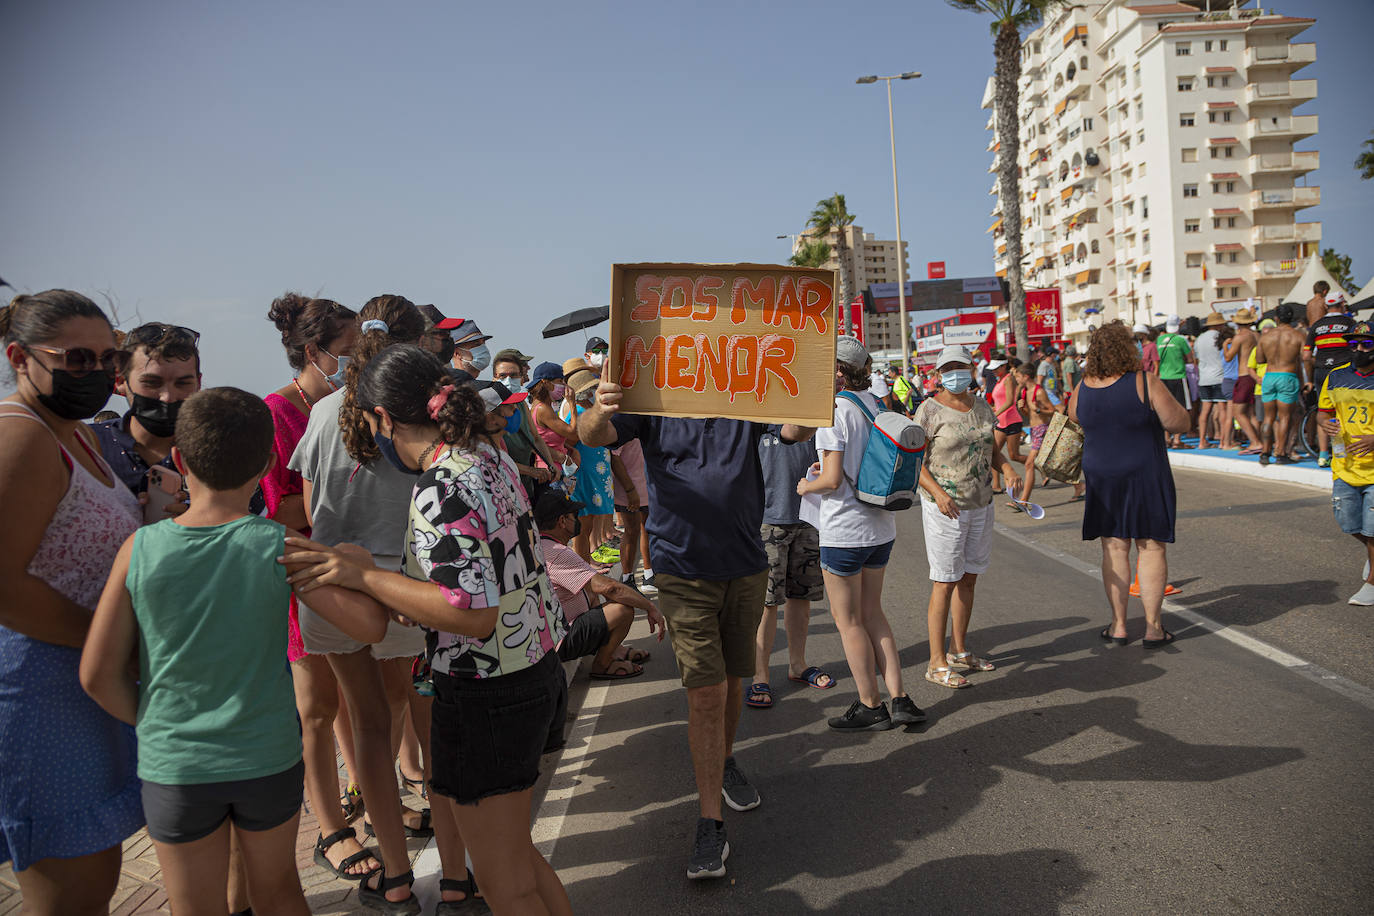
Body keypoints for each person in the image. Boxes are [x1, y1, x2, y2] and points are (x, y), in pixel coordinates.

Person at [283, 345, 572, 915]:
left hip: (486, 691)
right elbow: (472, 583)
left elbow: (469, 612)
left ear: (384, 418)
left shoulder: (440, 486)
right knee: (519, 858)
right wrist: (382, 583)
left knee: (505, 881)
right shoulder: (487, 458)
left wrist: (364, 576)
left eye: (367, 423)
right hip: (529, 671)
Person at [79, 388, 387, 916]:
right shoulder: (279, 545)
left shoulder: (141, 548)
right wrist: (360, 566)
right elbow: (370, 627)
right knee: (278, 892)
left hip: (174, 762)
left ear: (179, 458)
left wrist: (154, 725)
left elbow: (97, 675)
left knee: (194, 905)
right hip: (264, 755)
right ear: (268, 462)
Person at [579, 362, 817, 881]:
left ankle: (725, 758)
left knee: (733, 680)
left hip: (746, 566)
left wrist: (813, 384)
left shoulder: (746, 391)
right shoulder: (653, 394)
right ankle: (710, 820)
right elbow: (591, 434)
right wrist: (601, 403)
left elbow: (795, 428)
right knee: (705, 692)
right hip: (682, 569)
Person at [289, 297, 464, 913]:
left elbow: (313, 515)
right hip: (403, 590)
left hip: (331, 588)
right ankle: (456, 875)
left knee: (365, 730)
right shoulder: (416, 416)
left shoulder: (324, 412)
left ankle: (393, 876)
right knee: (427, 727)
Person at [0, 291, 145, 915]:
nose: (96, 374)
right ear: (20, 357)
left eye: (107, 360)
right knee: (70, 892)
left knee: (95, 873)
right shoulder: (22, 437)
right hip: (44, 687)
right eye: (77, 359)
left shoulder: (76, 434)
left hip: (85, 679)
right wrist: (106, 637)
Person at [261, 292, 384, 882]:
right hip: (306, 574)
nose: (362, 355)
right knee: (316, 707)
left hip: (355, 570)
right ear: (314, 352)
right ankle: (331, 829)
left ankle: (370, 798)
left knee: (361, 703)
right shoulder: (279, 412)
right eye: (351, 347)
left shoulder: (348, 403)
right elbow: (277, 506)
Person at [797, 337, 921, 730]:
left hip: (845, 532)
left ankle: (870, 704)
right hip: (880, 527)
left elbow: (832, 479)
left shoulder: (833, 410)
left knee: (848, 621)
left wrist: (805, 486)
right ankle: (899, 698)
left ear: (836, 372)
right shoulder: (875, 404)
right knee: (874, 614)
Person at [1069, 322, 1190, 648]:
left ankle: (1119, 625)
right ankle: (1153, 628)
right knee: (1150, 546)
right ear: (1127, 348)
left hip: (1102, 477)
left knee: (1114, 547)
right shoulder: (1144, 382)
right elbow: (1178, 422)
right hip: (1144, 472)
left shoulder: (1084, 386)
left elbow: (1074, 416)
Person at [915, 346, 1020, 688]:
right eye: (950, 368)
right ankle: (935, 662)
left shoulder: (983, 407)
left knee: (969, 578)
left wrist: (1007, 468)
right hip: (945, 506)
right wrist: (939, 493)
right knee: (944, 581)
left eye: (962, 366)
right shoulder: (928, 411)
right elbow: (914, 461)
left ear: (973, 369)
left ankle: (960, 651)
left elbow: (990, 448)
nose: (956, 373)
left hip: (981, 503)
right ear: (939, 374)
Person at [537, 490, 665, 677]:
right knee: (623, 609)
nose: (578, 520)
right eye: (574, 516)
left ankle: (615, 651)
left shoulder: (542, 545)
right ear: (562, 521)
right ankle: (603, 665)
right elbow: (610, 588)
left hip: (552, 634)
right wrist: (649, 607)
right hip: (559, 640)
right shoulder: (556, 552)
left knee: (590, 589)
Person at [747, 424, 830, 710]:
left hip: (808, 515)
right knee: (767, 602)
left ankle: (798, 664)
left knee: (801, 596)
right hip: (768, 518)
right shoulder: (758, 416)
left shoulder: (813, 411)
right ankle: (760, 674)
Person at [90, 322, 202, 498]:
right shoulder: (85, 449)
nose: (167, 397)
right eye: (152, 383)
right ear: (120, 380)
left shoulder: (215, 453)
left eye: (182, 383)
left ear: (198, 383)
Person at [1317, 321, 1374, 605]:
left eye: (1366, 344)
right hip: (1345, 466)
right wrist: (1326, 424)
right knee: (1351, 525)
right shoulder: (1336, 377)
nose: (1359, 350)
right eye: (1353, 345)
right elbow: (1322, 412)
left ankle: (1372, 583)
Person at [561, 357, 617, 564]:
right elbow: (570, 439)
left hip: (596, 470)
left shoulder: (590, 407)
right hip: (584, 471)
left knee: (590, 522)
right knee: (583, 525)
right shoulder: (574, 410)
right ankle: (584, 565)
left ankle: (588, 562)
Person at [1306, 291, 1355, 468]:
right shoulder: (1349, 323)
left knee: (1323, 412)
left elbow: (1306, 355)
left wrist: (1318, 364)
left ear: (1326, 306)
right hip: (1342, 371)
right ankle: (1340, 453)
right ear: (1342, 305)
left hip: (1321, 371)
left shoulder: (1316, 325)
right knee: (1341, 412)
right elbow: (1357, 348)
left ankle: (1323, 454)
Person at [1255, 303, 1305, 465]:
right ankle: (1281, 453)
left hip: (1269, 376)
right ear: (1292, 318)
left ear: (1276, 318)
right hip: (1287, 375)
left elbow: (1259, 360)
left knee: (1269, 417)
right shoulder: (1297, 336)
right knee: (1285, 417)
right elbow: (1306, 357)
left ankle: (1265, 452)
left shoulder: (1266, 336)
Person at [1225, 308, 1264, 454]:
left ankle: (1255, 442)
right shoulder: (1257, 335)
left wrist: (1225, 345)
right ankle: (1259, 441)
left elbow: (1228, 357)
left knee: (1238, 412)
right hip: (1256, 374)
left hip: (1244, 375)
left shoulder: (1240, 337)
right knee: (1252, 413)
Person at [1156, 316, 1195, 449]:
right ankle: (1177, 440)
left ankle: (1167, 438)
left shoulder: (1159, 340)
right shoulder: (1180, 340)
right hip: (1178, 376)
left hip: (1163, 377)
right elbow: (1190, 359)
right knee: (1180, 408)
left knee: (1164, 408)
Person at [988, 358, 1024, 493]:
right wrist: (992, 410)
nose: (994, 371)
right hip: (1001, 422)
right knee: (993, 453)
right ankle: (996, 486)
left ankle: (1036, 466)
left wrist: (995, 414)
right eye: (993, 369)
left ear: (1004, 366)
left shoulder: (1008, 379)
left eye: (997, 368)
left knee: (1014, 455)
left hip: (1011, 420)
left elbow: (1010, 402)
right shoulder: (1000, 380)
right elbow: (1000, 402)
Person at [1194, 313, 1228, 447]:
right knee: (1222, 409)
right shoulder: (1220, 337)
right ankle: (1223, 440)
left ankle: (1202, 440)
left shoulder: (1199, 339)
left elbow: (1196, 359)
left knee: (1205, 410)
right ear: (1219, 325)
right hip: (1219, 376)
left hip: (1204, 378)